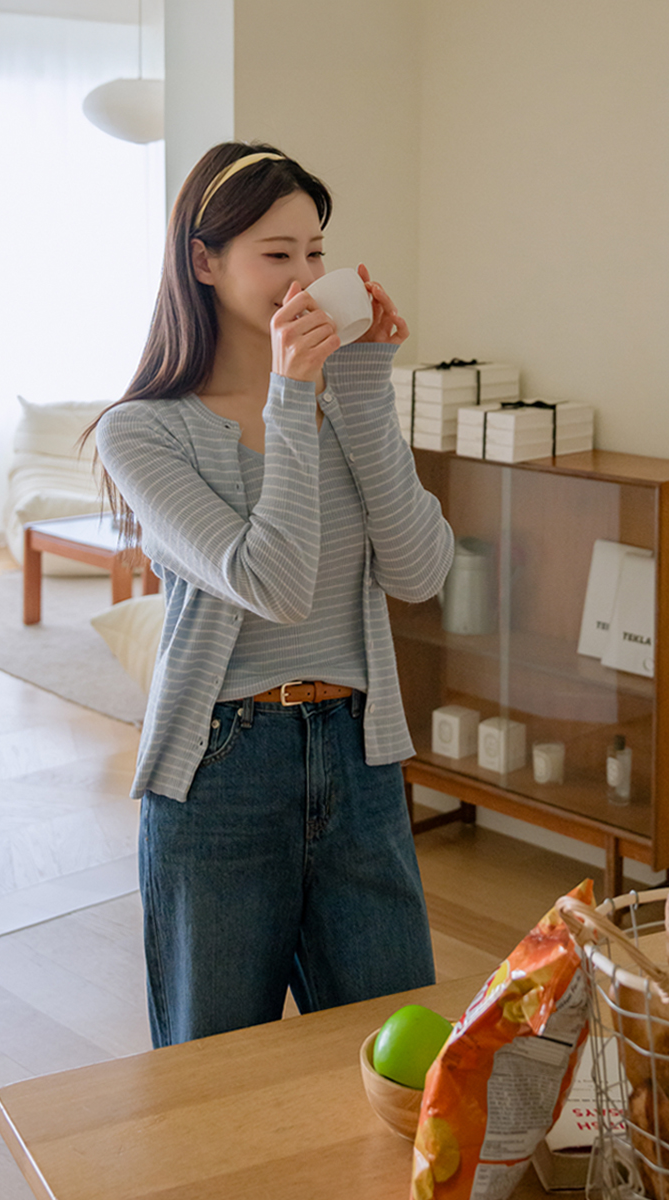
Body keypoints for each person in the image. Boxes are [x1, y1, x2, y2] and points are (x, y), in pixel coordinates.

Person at [90, 141, 454, 1048]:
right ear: (204, 263)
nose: (305, 276)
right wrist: (296, 397)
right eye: (277, 253)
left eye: (317, 251)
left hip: (361, 759)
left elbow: (420, 573)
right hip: (221, 772)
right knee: (212, 1075)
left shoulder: (338, 405)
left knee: (392, 1057)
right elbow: (276, 585)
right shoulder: (140, 435)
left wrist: (364, 388)